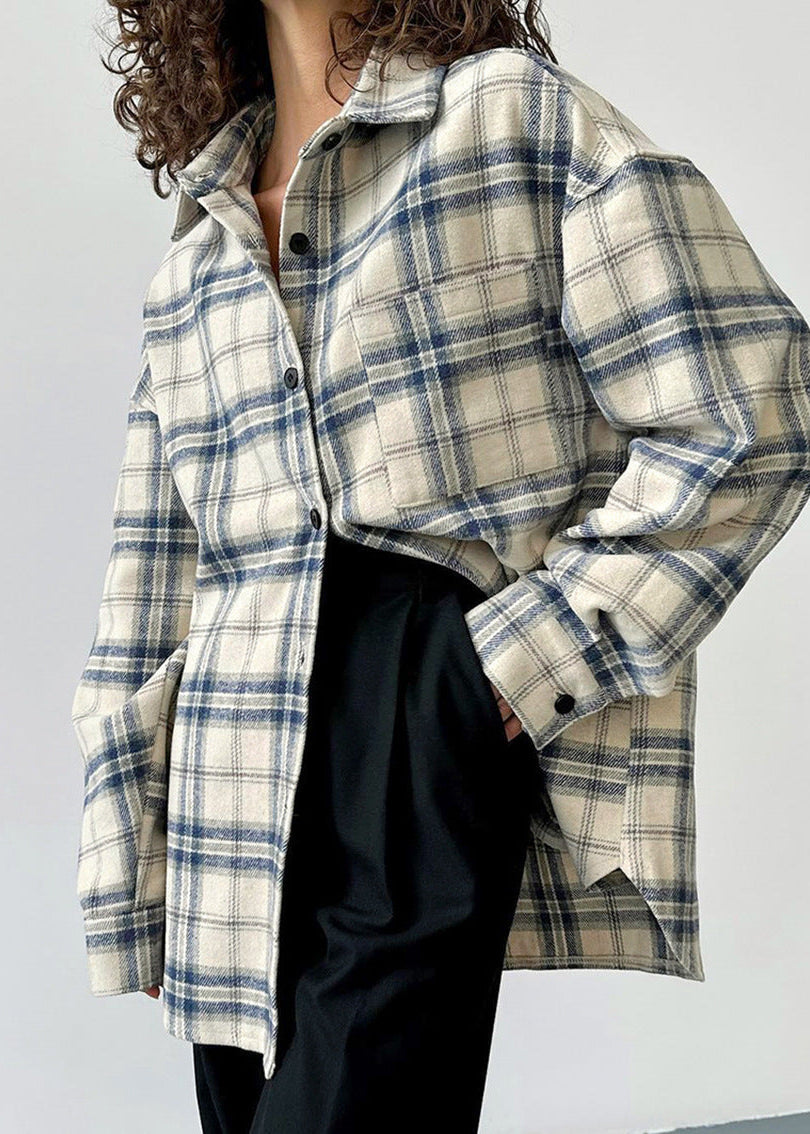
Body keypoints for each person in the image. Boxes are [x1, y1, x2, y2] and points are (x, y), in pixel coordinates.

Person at [71, 0, 810, 1130]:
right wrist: (135, 872)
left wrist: (506, 672)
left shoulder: (510, 121)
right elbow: (152, 585)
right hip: (228, 775)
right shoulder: (199, 247)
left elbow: (754, 406)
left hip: (415, 701)